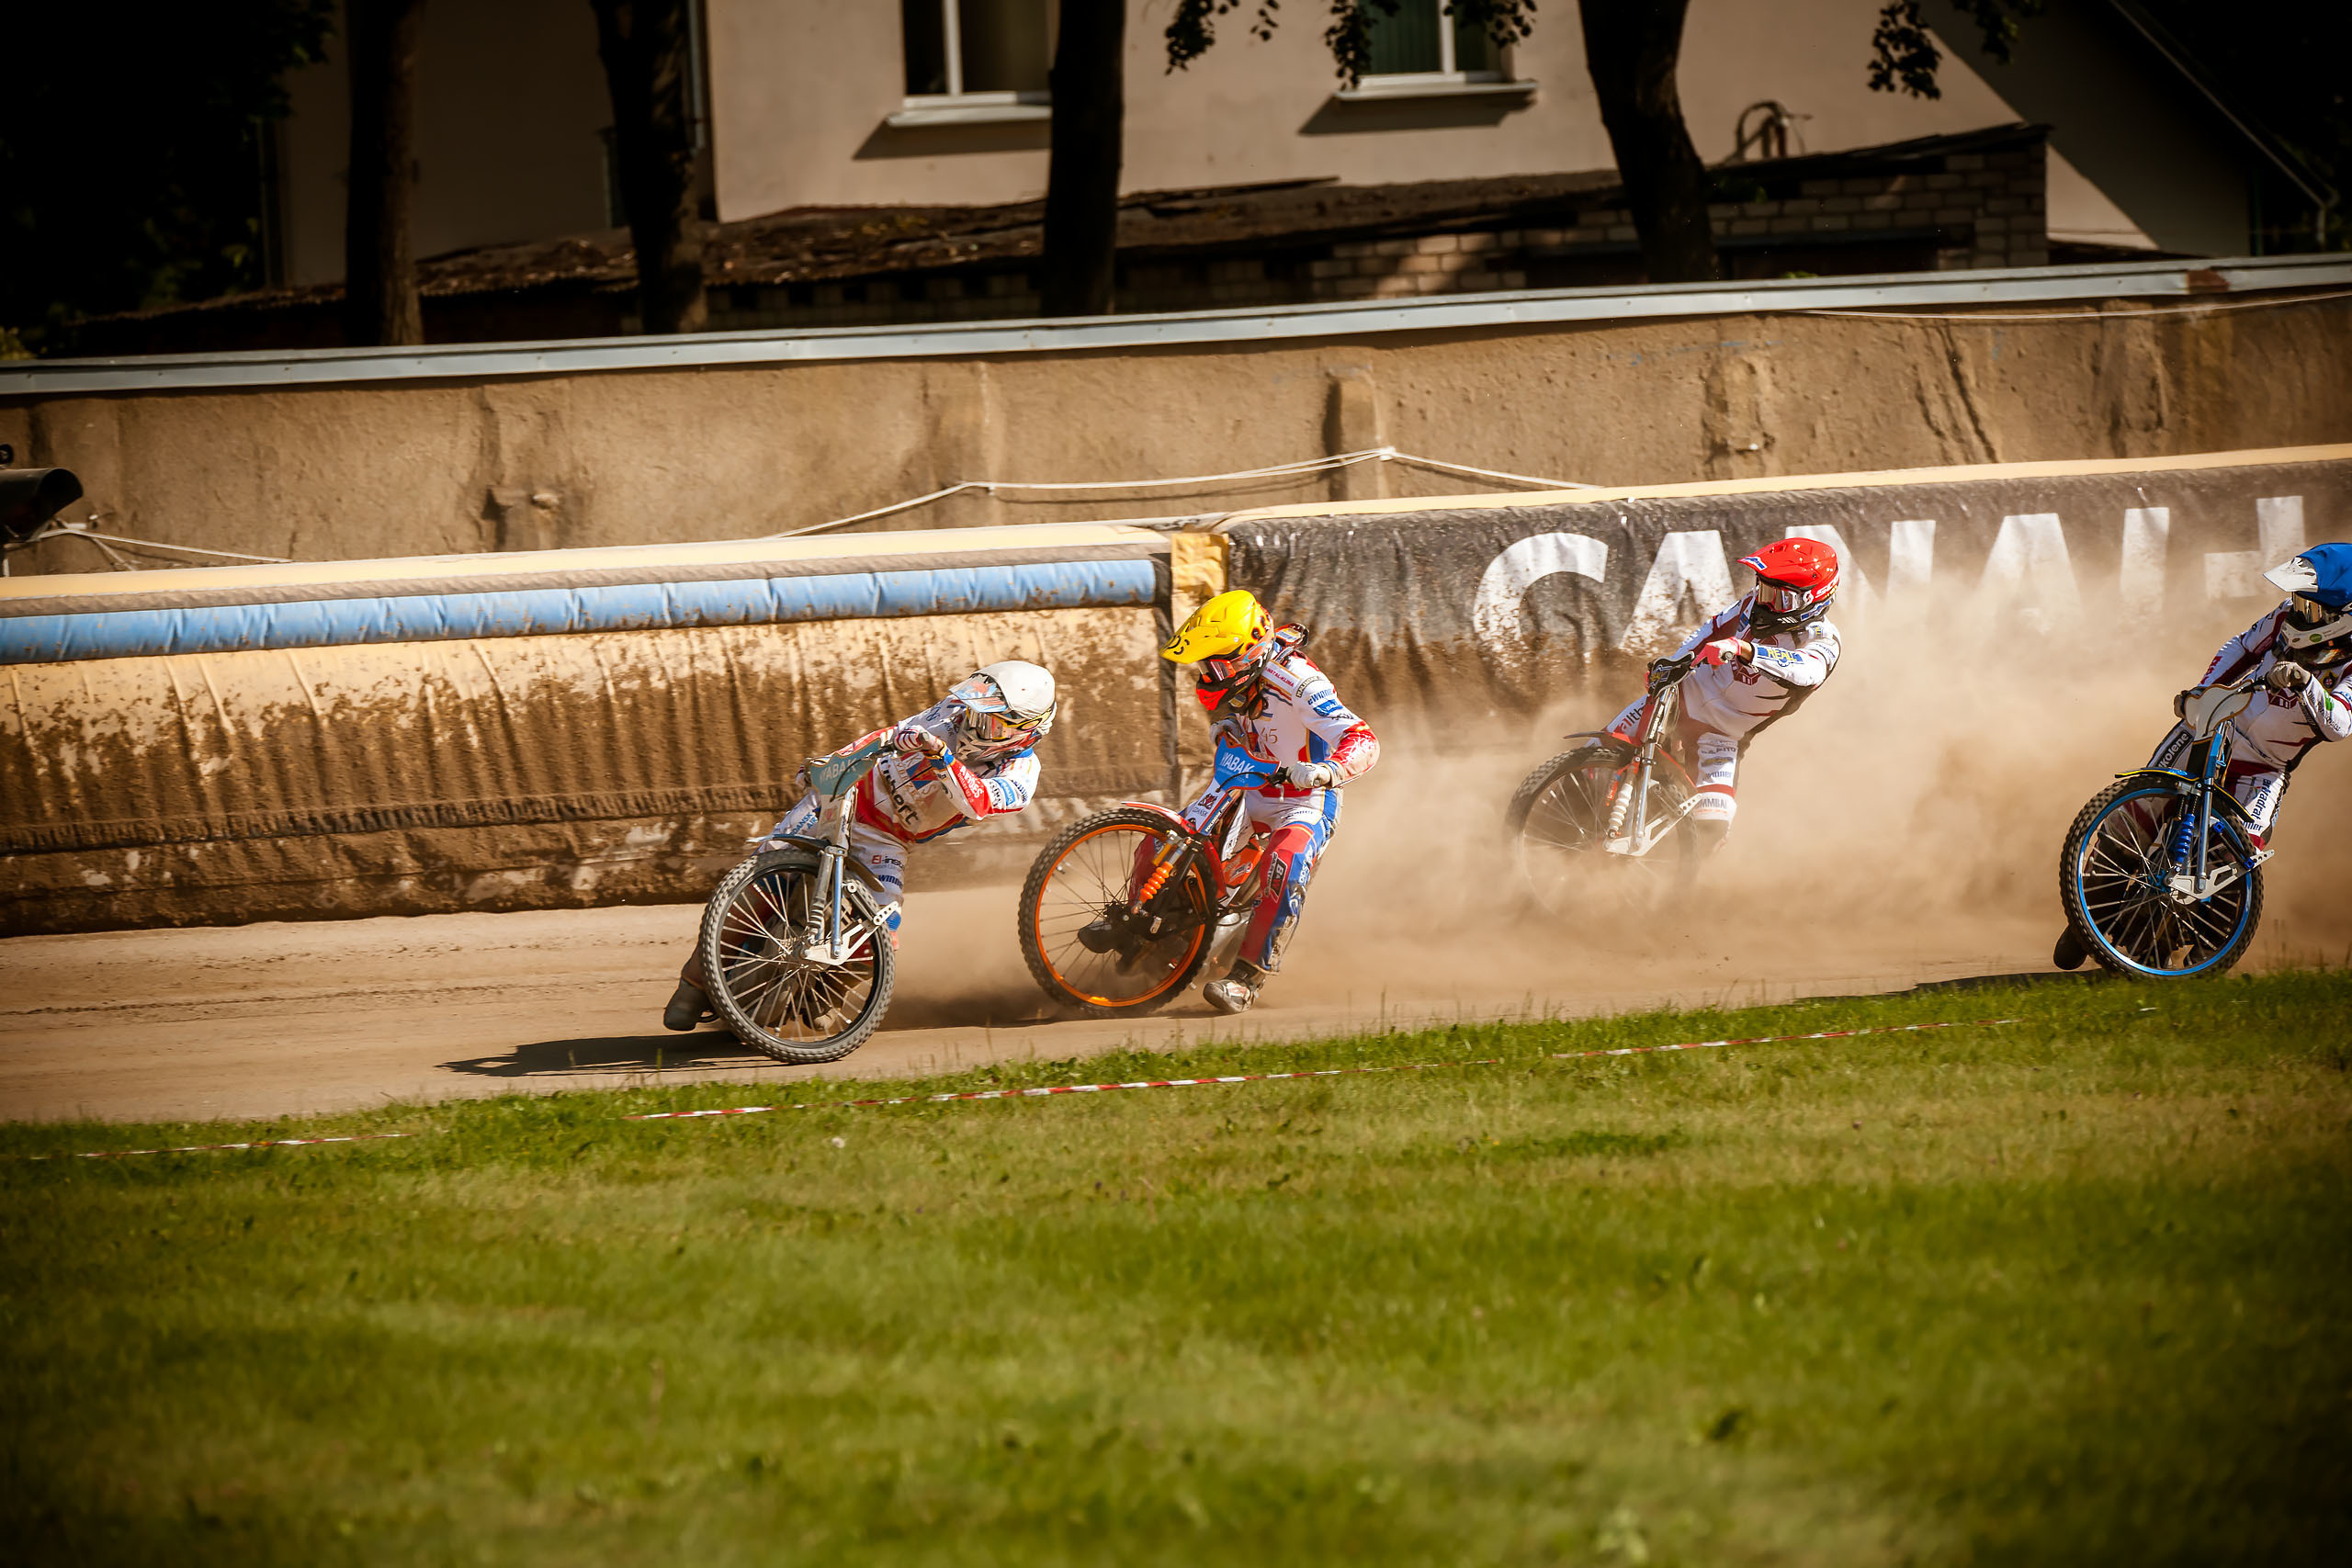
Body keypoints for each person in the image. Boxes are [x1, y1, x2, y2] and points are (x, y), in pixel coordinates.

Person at [662, 660, 1056, 1030]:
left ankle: (819, 995)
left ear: (1026, 729)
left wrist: (941, 756)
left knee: (884, 936)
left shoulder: (1022, 774)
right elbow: (887, 735)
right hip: (846, 795)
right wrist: (834, 762)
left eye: (990, 722)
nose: (972, 724)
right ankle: (693, 982)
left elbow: (977, 802)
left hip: (890, 839)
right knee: (769, 872)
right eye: (973, 713)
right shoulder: (950, 711)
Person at [2055, 542, 2352, 969]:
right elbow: (2241, 646)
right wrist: (2202, 691)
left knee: (2237, 858)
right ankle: (2090, 914)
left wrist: (2306, 684)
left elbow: (2339, 725)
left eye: (2312, 605)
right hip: (2214, 725)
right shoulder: (2285, 620)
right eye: (2297, 599)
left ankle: (2201, 961)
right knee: (2138, 806)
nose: (2299, 610)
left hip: (2265, 766)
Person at [1155, 589, 1379, 1014]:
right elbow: (1224, 703)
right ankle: (1132, 918)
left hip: (1304, 800)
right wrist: (1223, 726)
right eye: (1206, 665)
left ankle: (1247, 979)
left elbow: (1363, 739)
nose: (1209, 674)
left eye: (1218, 664)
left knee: (1286, 862)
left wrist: (1327, 770)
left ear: (1250, 652)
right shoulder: (1235, 674)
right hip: (1246, 785)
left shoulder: (1301, 683)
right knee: (1164, 838)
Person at [1603, 536, 1842, 855]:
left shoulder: (1824, 641)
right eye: (1764, 589)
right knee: (1601, 751)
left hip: (1721, 738)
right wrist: (1675, 663)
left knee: (1711, 830)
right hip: (1679, 699)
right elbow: (1711, 629)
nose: (1766, 603)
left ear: (1813, 599)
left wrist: (1745, 649)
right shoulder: (1750, 604)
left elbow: (1805, 671)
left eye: (1780, 597)